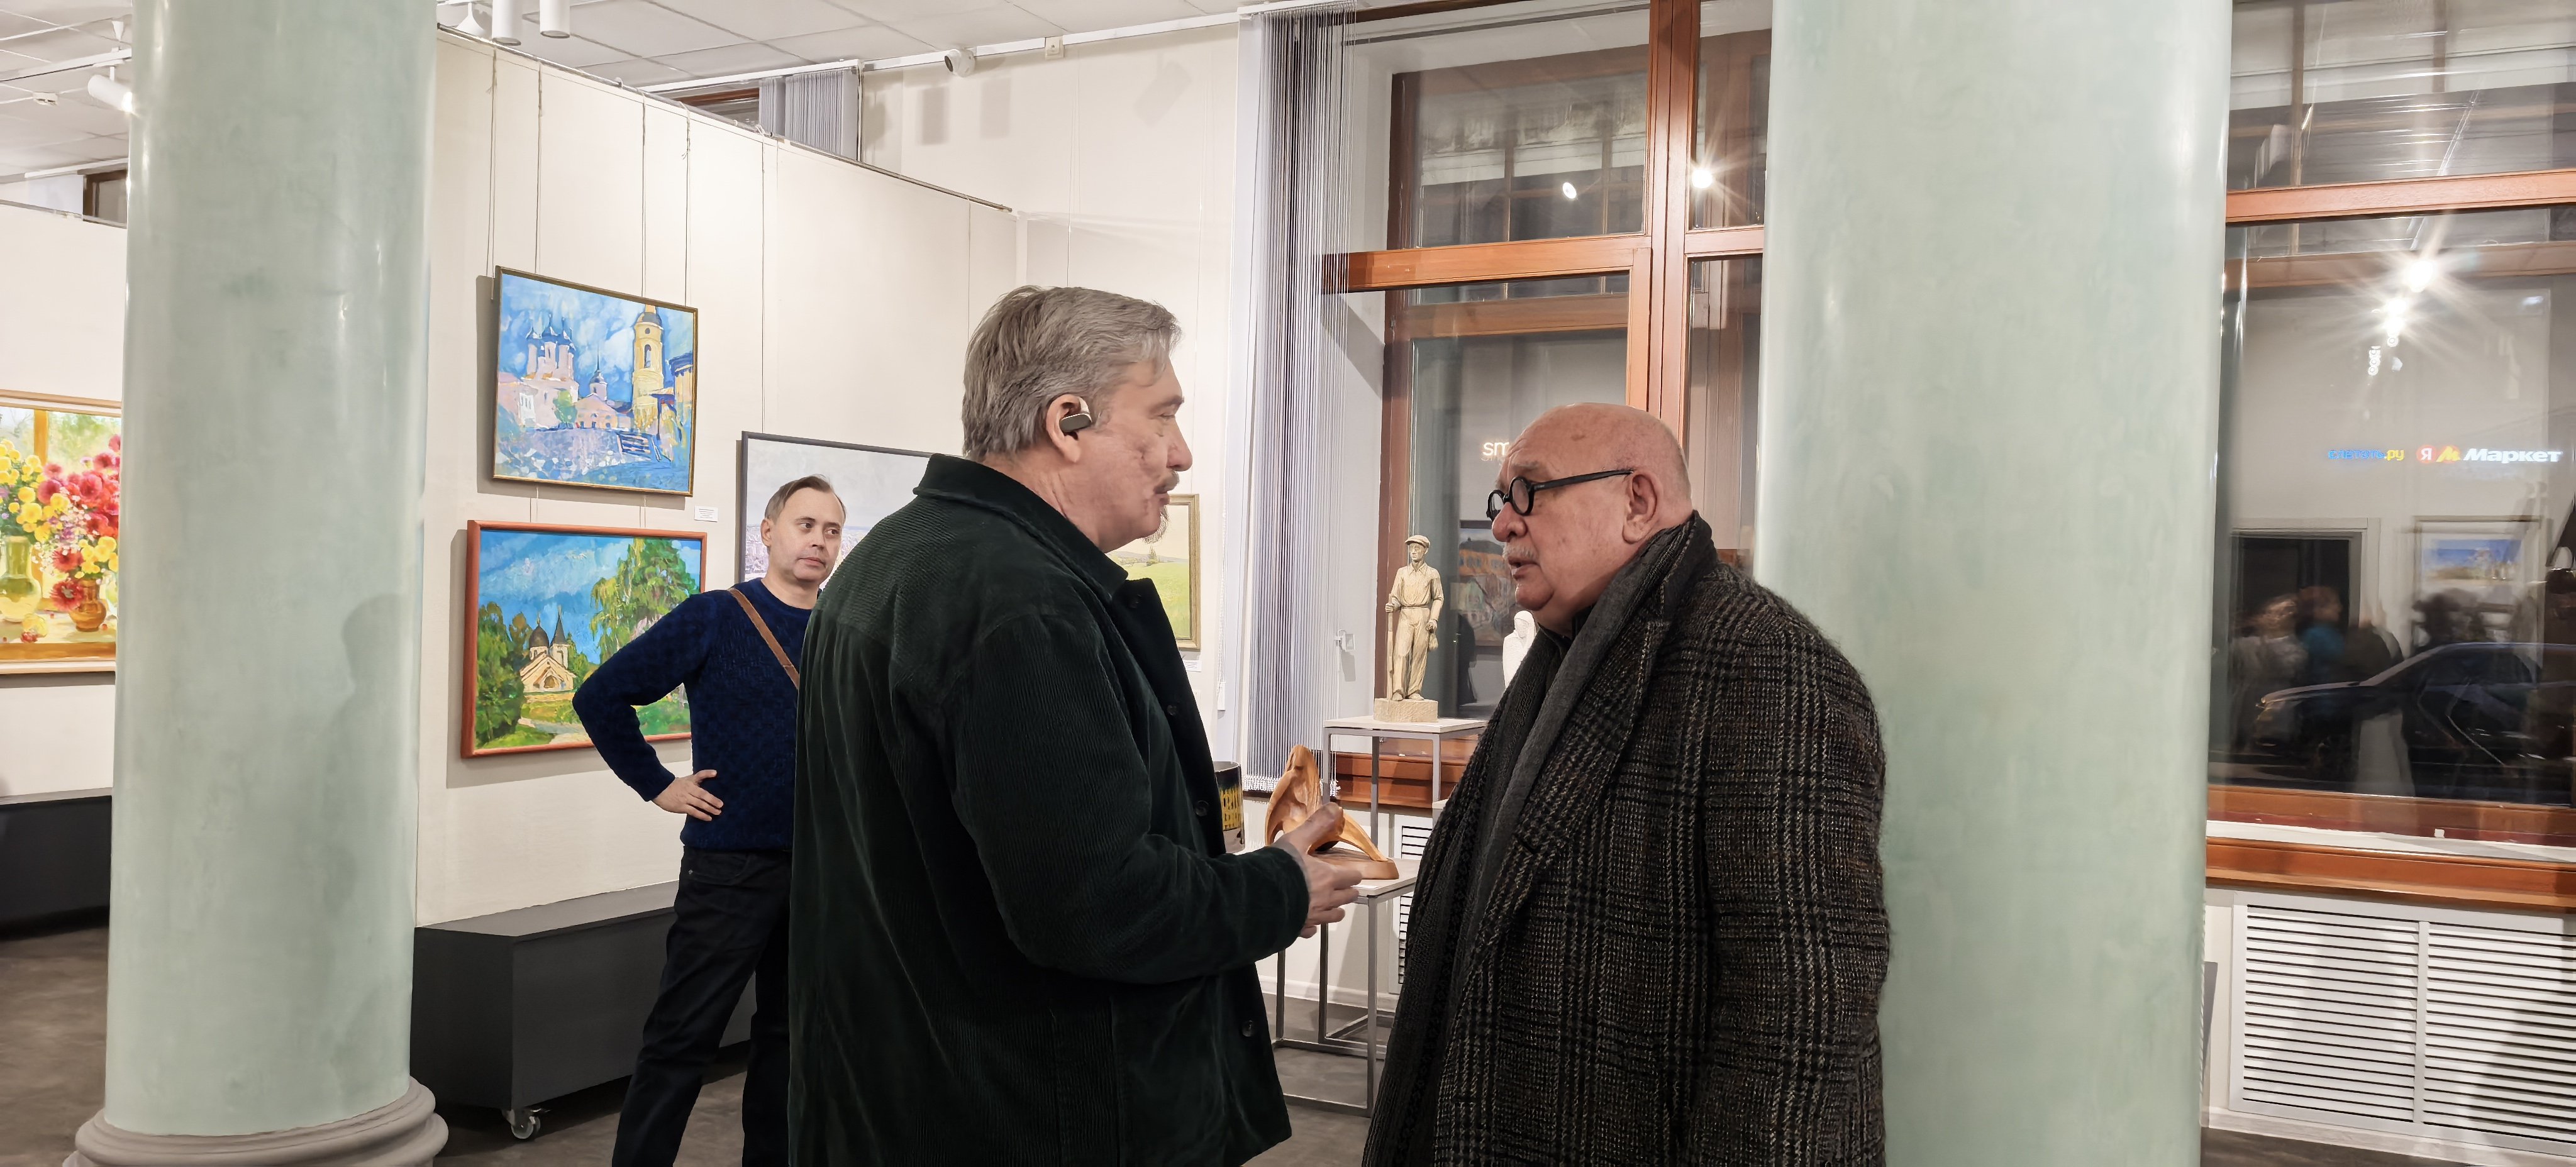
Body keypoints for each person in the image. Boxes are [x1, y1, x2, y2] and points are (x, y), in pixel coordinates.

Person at [789, 285, 1361, 1164]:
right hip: (1031, 1111)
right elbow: (1098, 906)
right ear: (1067, 422)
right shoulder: (1021, 603)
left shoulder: (890, 559)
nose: (1181, 453)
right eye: (1162, 415)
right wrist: (1281, 888)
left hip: (904, 1097)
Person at [1365, 402, 1890, 1166]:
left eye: (1528, 492)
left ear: (1637, 502)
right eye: (1500, 499)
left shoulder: (1767, 664)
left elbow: (1800, 1016)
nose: (1502, 524)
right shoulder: (1567, 657)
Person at [573, 475, 846, 1167]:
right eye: (805, 525)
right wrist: (657, 785)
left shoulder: (843, 628)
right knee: (681, 1039)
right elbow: (601, 695)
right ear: (768, 532)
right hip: (730, 868)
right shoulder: (716, 616)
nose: (818, 541)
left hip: (820, 868)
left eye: (832, 530)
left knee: (789, 1040)